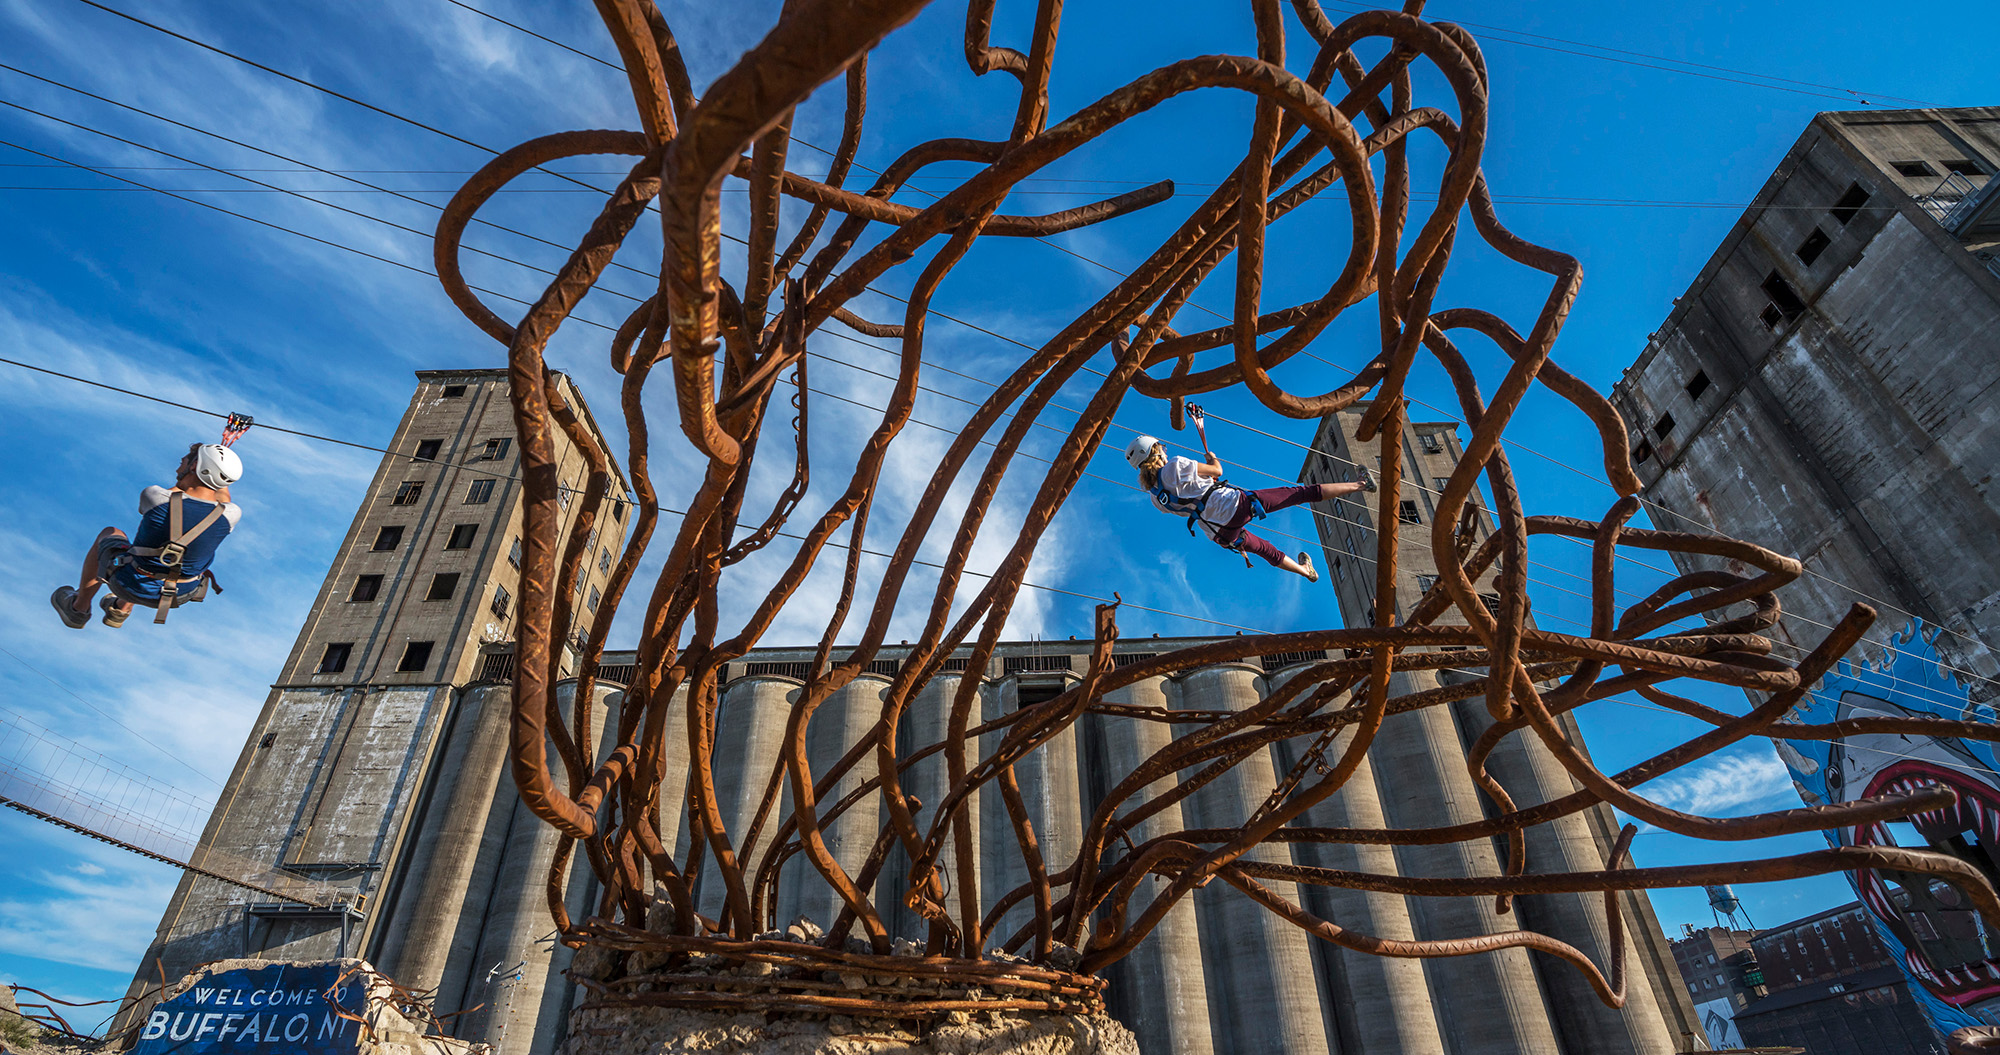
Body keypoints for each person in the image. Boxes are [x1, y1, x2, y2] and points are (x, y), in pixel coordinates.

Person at [1126, 433, 1370, 582]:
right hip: (1233, 506)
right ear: (1154, 451)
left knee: (1266, 550)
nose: (1165, 451)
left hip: (1219, 532)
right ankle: (1360, 484)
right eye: (1161, 448)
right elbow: (1217, 472)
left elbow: (1191, 497)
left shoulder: (1155, 498)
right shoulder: (1174, 466)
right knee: (1299, 494)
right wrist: (1212, 460)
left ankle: (1306, 572)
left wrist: (1204, 482)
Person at [52, 442, 243, 628]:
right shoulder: (230, 515)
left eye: (183, 462)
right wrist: (216, 468)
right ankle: (120, 609)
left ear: (194, 466)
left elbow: (178, 495)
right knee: (165, 547)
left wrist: (209, 461)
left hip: (128, 583)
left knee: (113, 534)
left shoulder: (155, 496)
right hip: (179, 594)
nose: (178, 469)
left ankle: (79, 608)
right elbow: (221, 498)